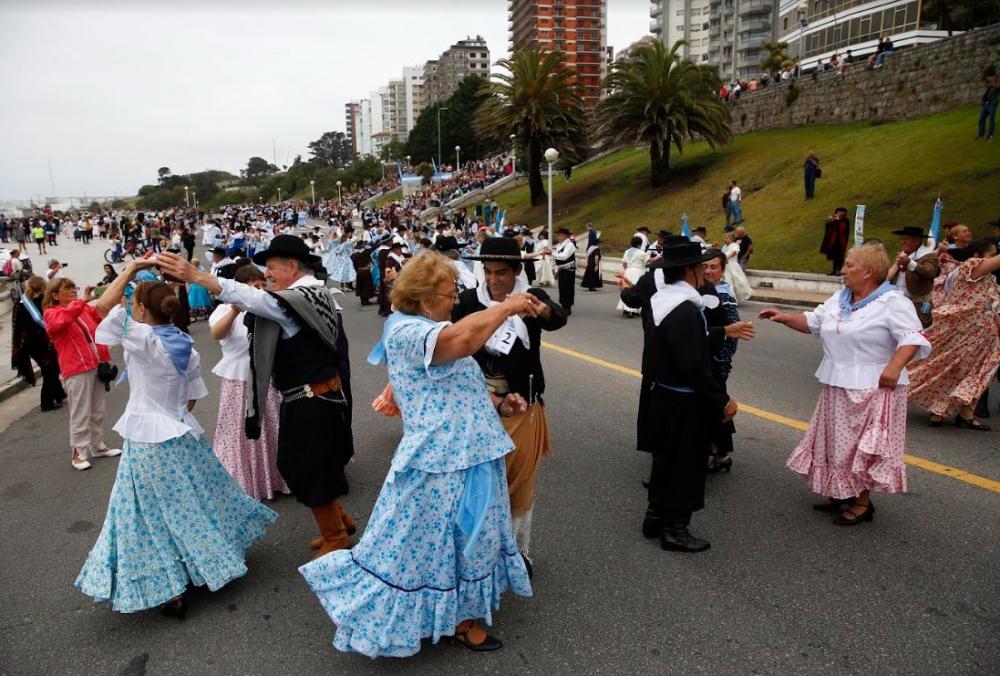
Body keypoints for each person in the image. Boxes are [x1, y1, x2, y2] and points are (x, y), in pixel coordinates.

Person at [299, 251, 535, 657]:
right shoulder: (407, 332)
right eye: (448, 294)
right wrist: (508, 306)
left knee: (459, 540)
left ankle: (455, 614)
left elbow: (457, 387)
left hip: (467, 455)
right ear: (425, 300)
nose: (455, 300)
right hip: (440, 462)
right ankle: (445, 620)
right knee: (430, 544)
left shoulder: (427, 328)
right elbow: (461, 341)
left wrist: (500, 404)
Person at [76, 279, 277, 619]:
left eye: (135, 305)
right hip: (180, 432)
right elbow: (192, 398)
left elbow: (100, 307)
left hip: (147, 437)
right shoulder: (185, 344)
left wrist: (132, 269)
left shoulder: (143, 338)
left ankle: (170, 588)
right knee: (190, 504)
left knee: (142, 514)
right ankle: (208, 564)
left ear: (142, 309)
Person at [157, 238, 356, 560]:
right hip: (313, 397)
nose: (268, 275)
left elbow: (250, 297)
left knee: (309, 468)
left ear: (292, 266)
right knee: (302, 464)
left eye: (272, 268)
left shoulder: (297, 299)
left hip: (312, 400)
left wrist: (196, 276)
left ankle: (335, 536)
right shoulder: (313, 294)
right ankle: (339, 521)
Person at [758, 243, 931, 525]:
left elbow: (912, 337)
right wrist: (785, 317)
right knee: (837, 443)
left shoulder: (892, 302)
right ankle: (841, 491)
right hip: (838, 384)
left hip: (874, 387)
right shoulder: (841, 298)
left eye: (850, 265)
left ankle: (862, 502)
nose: (843, 270)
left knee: (863, 447)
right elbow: (814, 321)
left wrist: (894, 366)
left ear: (869, 272)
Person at [454, 237, 568, 576]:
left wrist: (541, 309)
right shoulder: (469, 301)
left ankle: (517, 554)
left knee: (520, 485)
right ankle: (479, 555)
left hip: (521, 404)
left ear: (517, 270)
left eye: (501, 272)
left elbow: (556, 317)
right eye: (488, 272)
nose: (493, 279)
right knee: (478, 486)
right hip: (476, 404)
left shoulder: (530, 297)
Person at [639, 242, 738, 552]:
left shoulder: (662, 300)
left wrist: (722, 332)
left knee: (664, 461)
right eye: (699, 267)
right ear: (688, 271)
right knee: (687, 466)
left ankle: (655, 517)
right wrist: (722, 400)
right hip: (685, 401)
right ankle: (675, 529)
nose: (704, 273)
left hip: (663, 395)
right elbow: (694, 365)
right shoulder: (684, 309)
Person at [44, 262, 152, 470]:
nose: (73, 291)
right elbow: (61, 322)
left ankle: (96, 445)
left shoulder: (81, 309)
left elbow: (100, 319)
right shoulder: (52, 313)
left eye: (73, 288)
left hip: (94, 365)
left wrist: (115, 300)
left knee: (97, 409)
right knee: (81, 412)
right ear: (55, 295)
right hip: (76, 369)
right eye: (68, 289)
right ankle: (78, 451)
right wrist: (83, 302)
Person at [209, 263, 289, 501]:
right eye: (255, 286)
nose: (261, 290)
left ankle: (277, 477)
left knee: (272, 427)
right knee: (239, 430)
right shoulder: (224, 309)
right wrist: (235, 310)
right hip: (238, 378)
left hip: (267, 377)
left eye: (264, 285)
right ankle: (244, 480)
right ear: (241, 287)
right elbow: (216, 334)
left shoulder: (267, 308)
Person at [907, 239, 1000, 430]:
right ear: (977, 255)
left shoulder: (985, 278)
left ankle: (953, 412)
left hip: (977, 332)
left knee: (966, 370)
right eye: (992, 254)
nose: (994, 258)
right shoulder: (971, 266)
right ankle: (945, 411)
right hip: (967, 332)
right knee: (959, 369)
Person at [702, 250, 743, 472]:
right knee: (714, 405)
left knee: (716, 406)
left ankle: (719, 453)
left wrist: (720, 361)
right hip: (703, 361)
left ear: (722, 270)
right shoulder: (701, 291)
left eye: (714, 267)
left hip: (715, 364)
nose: (708, 271)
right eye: (705, 266)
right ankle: (720, 453)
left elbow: (734, 332)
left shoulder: (724, 297)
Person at [11, 276, 66, 412]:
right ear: (43, 287)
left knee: (52, 368)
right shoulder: (41, 301)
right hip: (42, 344)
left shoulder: (21, 303)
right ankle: (46, 403)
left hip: (32, 345)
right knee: (50, 371)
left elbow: (16, 326)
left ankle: (59, 394)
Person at [887, 226, 938, 328]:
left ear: (917, 241)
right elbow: (889, 276)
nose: (902, 242)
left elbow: (930, 272)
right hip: (898, 303)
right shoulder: (903, 255)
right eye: (902, 239)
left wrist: (910, 263)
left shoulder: (929, 255)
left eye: (906, 239)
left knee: (918, 331)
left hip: (917, 304)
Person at [617, 236, 650, 317]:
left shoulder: (627, 251)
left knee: (626, 288)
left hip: (628, 271)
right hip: (638, 272)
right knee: (635, 290)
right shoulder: (642, 253)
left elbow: (624, 263)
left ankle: (626, 309)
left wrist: (627, 270)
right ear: (639, 245)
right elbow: (647, 262)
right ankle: (632, 310)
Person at [720, 232, 753, 302]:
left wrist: (726, 258)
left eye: (727, 238)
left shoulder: (734, 245)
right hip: (725, 267)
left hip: (732, 267)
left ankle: (732, 298)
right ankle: (730, 298)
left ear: (731, 239)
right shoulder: (724, 247)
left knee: (737, 282)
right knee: (728, 282)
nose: (725, 240)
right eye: (725, 238)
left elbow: (734, 252)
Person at [552, 228, 577, 314]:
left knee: (568, 288)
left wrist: (551, 253)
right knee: (562, 288)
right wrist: (556, 270)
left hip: (569, 269)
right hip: (562, 269)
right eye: (558, 235)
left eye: (560, 235)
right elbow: (557, 259)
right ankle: (563, 304)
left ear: (565, 236)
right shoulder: (559, 245)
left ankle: (568, 307)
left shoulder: (570, 245)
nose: (558, 237)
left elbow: (564, 256)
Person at [820, 207, 850, 275]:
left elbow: (842, 228)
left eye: (842, 213)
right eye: (839, 212)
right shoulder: (833, 219)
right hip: (833, 241)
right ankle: (834, 270)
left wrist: (837, 220)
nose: (840, 214)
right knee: (834, 256)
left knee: (839, 256)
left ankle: (839, 270)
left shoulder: (845, 220)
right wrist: (829, 221)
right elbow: (829, 227)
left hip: (841, 241)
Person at [976, 70, 999, 141]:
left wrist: (992, 80)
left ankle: (990, 135)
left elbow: (996, 87)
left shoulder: (997, 84)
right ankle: (980, 135)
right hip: (986, 104)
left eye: (994, 76)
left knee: (991, 120)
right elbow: (986, 94)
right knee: (981, 120)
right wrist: (983, 101)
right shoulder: (990, 85)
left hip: (992, 105)